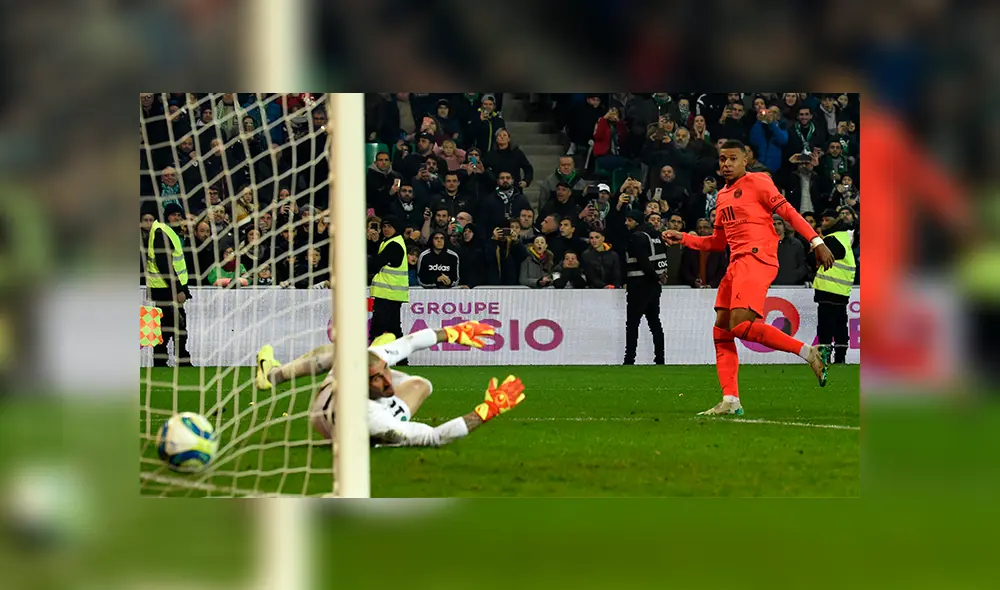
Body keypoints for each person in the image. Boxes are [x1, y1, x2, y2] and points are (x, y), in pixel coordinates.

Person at [662, 139, 835, 416]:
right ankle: (730, 400)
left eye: (732, 159)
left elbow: (788, 212)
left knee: (740, 326)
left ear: (746, 160)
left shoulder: (759, 182)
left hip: (757, 258)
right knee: (722, 331)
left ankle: (808, 352)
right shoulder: (722, 196)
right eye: (722, 159)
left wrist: (816, 241)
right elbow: (717, 243)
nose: (726, 164)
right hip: (736, 263)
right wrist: (684, 238)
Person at [254, 323, 526, 447]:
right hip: (333, 416)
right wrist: (486, 411)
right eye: (377, 378)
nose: (387, 380)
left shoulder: (375, 365)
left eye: (386, 371)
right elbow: (434, 437)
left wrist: (453, 332)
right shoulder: (374, 418)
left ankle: (273, 374)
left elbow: (413, 341)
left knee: (420, 383)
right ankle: (274, 374)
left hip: (345, 395)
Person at [145, 210, 191, 367]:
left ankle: (161, 360)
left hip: (164, 287)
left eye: (179, 215)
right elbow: (164, 263)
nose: (177, 217)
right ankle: (181, 359)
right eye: (174, 214)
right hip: (167, 288)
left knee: (165, 326)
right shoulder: (162, 232)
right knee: (177, 324)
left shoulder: (164, 231)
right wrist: (178, 288)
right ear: (166, 215)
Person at [623, 210, 667, 365]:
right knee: (654, 322)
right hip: (655, 287)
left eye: (629, 220)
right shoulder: (656, 237)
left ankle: (629, 359)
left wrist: (653, 276)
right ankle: (660, 359)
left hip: (638, 285)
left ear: (635, 221)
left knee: (633, 323)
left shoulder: (637, 237)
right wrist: (659, 278)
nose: (626, 223)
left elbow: (643, 262)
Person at [813, 209, 857, 364]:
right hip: (841, 289)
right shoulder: (845, 237)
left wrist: (815, 248)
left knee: (825, 325)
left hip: (828, 287)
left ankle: (824, 357)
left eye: (827, 220)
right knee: (840, 323)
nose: (823, 223)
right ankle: (840, 357)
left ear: (835, 221)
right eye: (822, 220)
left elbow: (817, 259)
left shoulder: (831, 239)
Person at [369, 215, 409, 348]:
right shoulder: (390, 242)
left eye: (389, 226)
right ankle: (402, 360)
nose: (386, 229)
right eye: (384, 226)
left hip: (387, 292)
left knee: (378, 327)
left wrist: (372, 243)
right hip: (392, 293)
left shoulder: (393, 245)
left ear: (396, 228)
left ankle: (373, 357)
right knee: (394, 329)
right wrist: (375, 243)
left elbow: (375, 263)